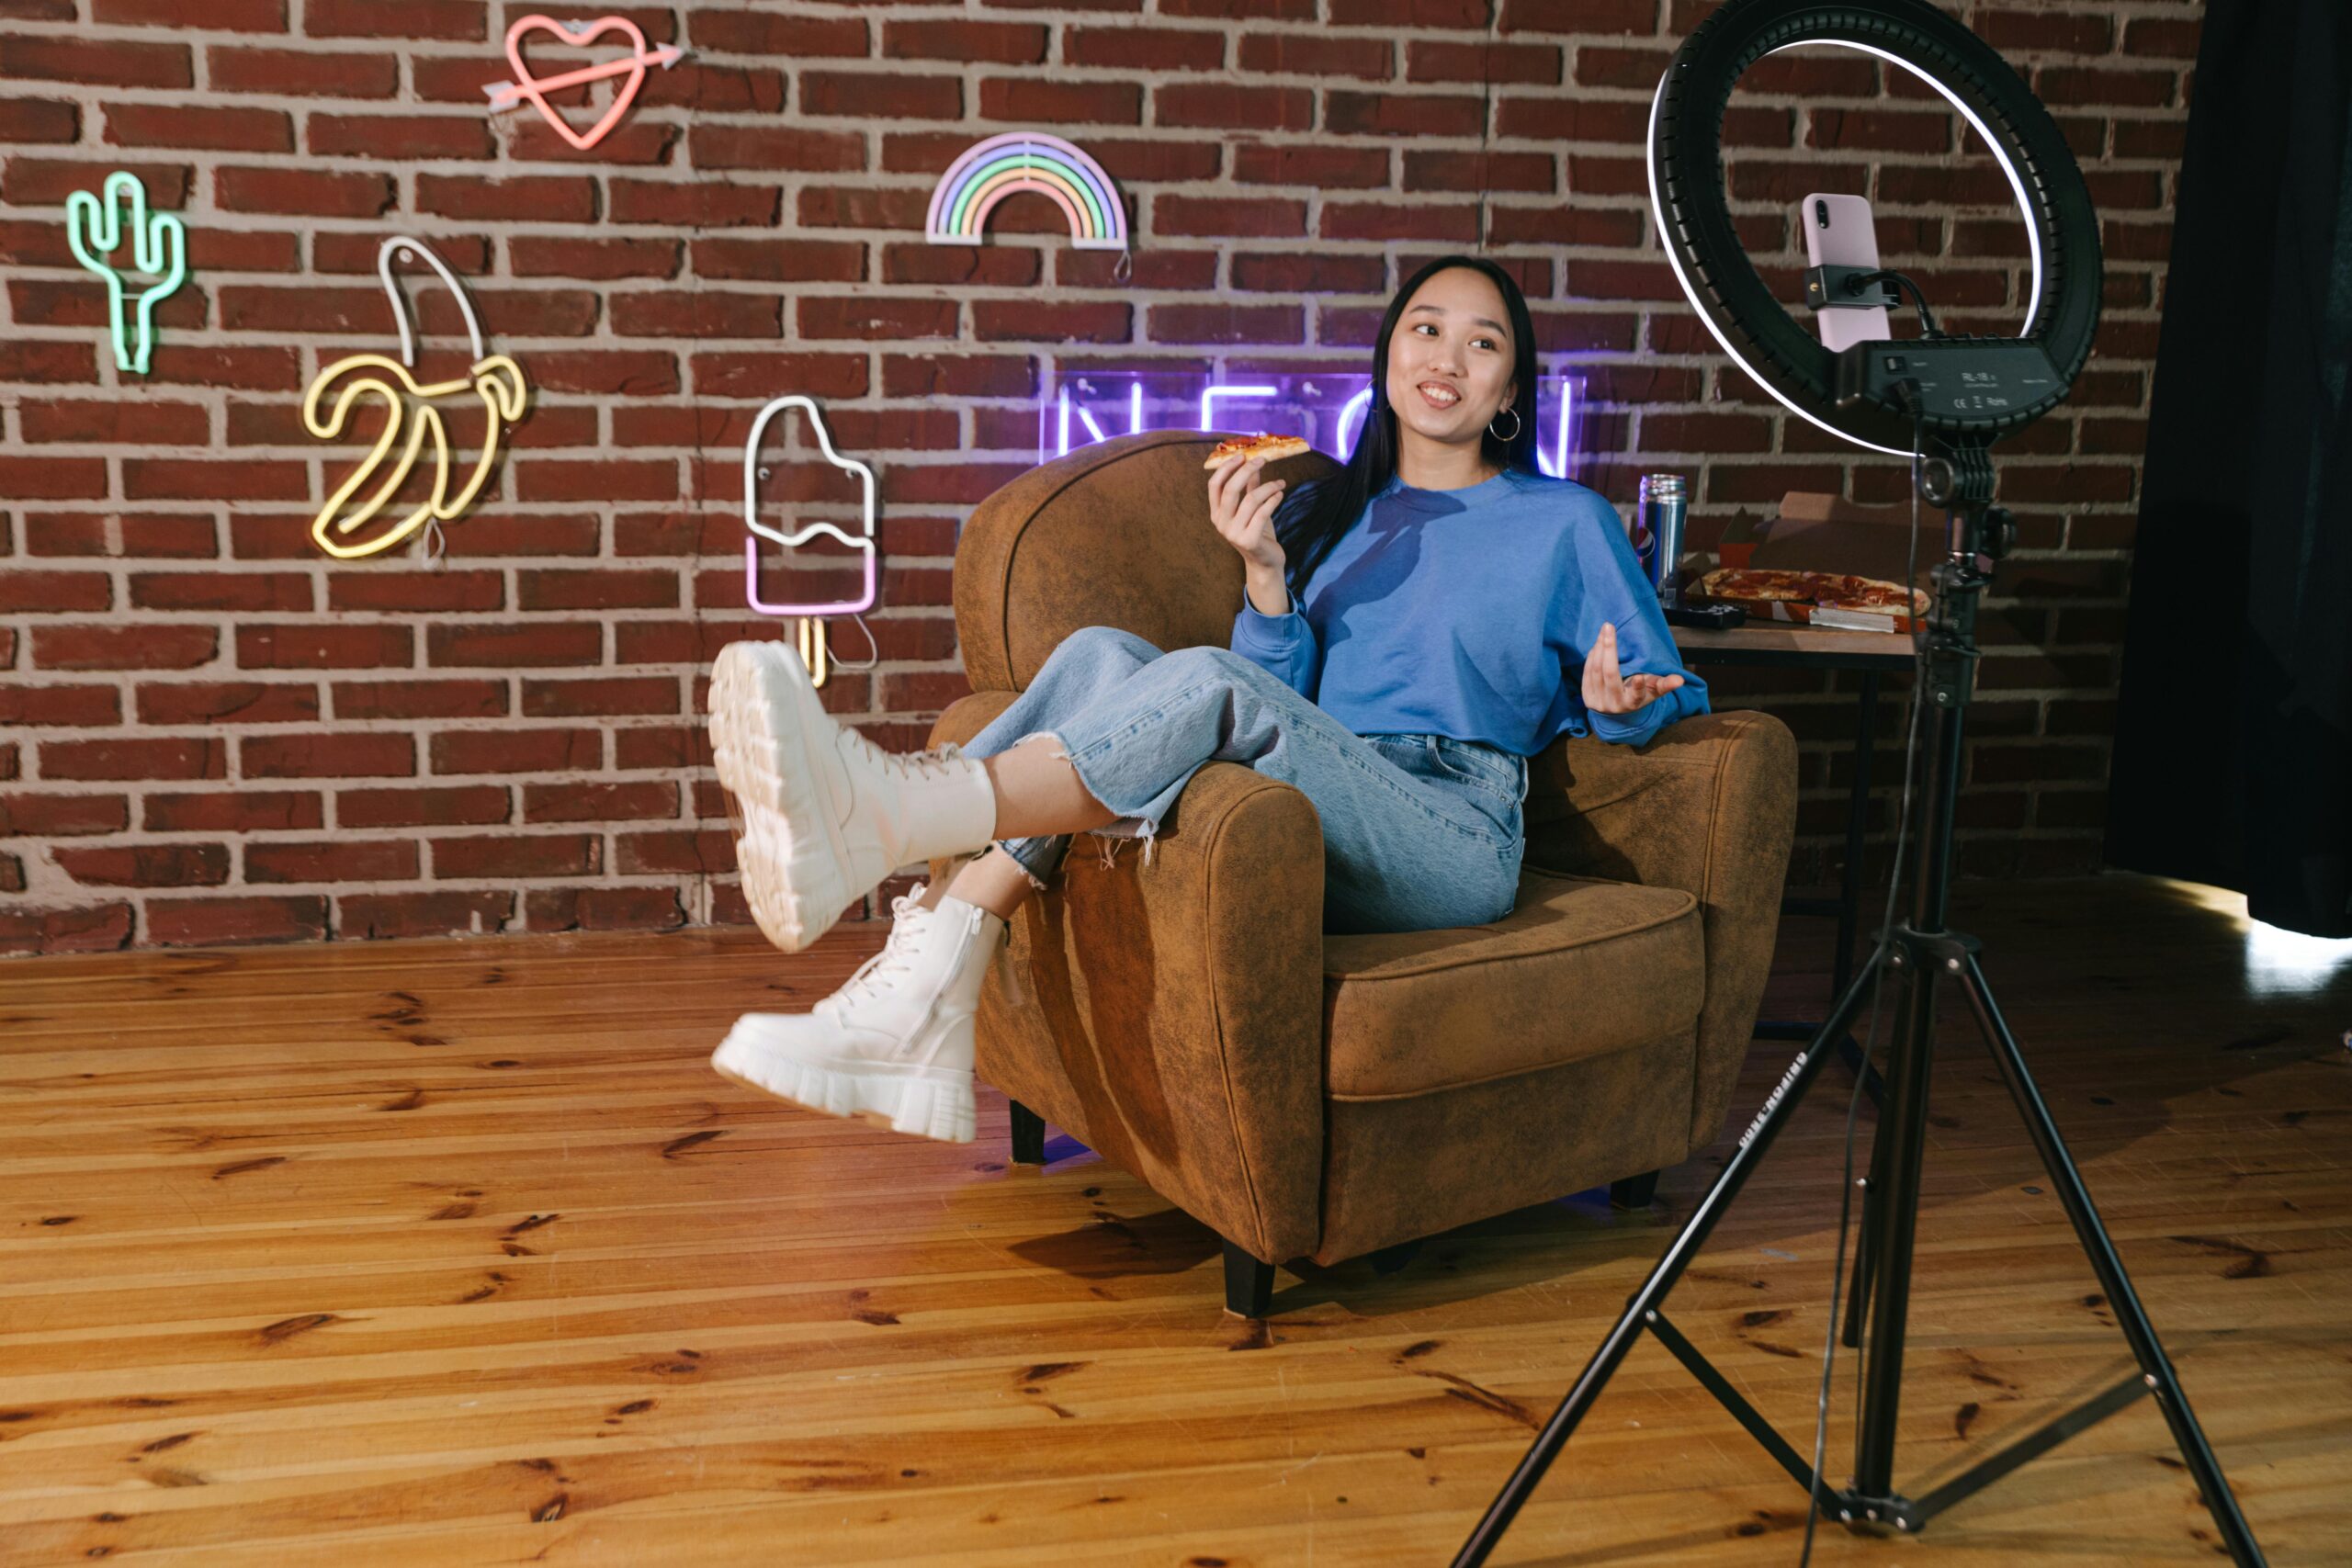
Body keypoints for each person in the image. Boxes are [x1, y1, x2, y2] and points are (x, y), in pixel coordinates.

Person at [705, 254, 1707, 1144]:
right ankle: (929, 979)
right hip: (1318, 808)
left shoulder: (1562, 521)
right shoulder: (1332, 517)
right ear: (1390, 358)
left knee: (1201, 679)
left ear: (1508, 390)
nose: (1447, 357)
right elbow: (1273, 703)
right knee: (1100, 654)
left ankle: (893, 824)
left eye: (1481, 342)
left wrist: (1616, 701)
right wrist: (1267, 578)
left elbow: (1674, 691)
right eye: (1425, 329)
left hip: (1451, 834)